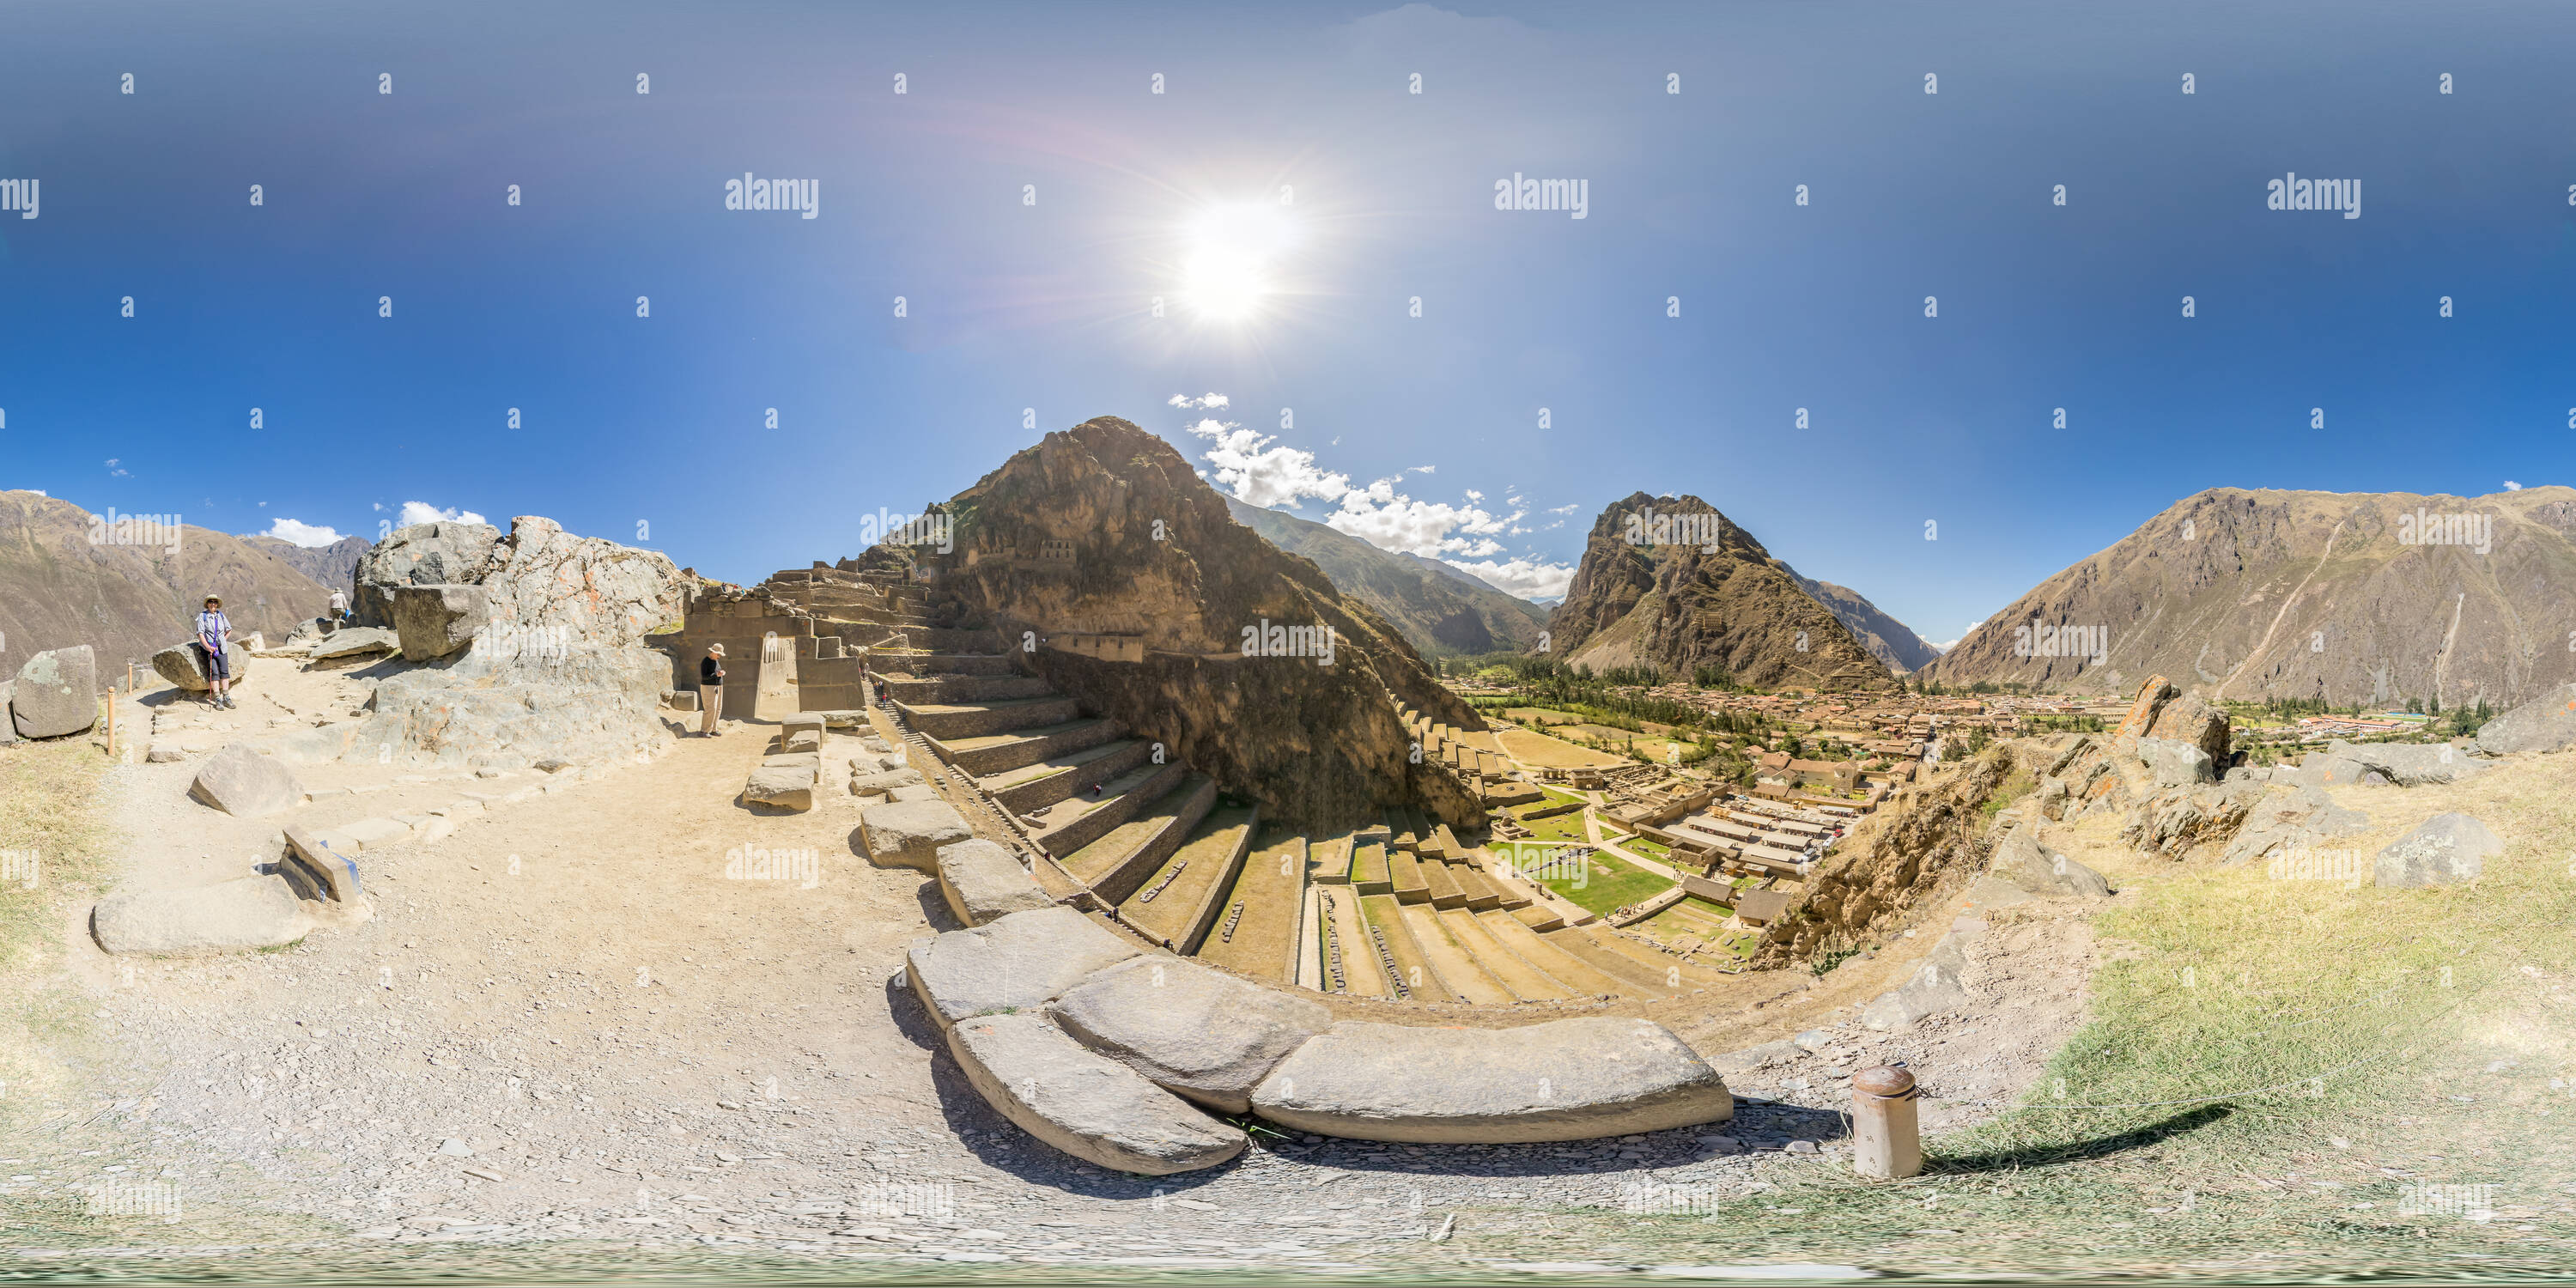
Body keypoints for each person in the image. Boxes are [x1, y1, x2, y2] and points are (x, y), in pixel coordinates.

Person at [197, 595, 235, 709]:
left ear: (217, 604)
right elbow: (200, 633)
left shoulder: (221, 615)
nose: (213, 604)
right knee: (214, 673)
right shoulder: (203, 616)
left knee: (224, 672)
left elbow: (229, 629)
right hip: (209, 649)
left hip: (221, 648)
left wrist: (223, 640)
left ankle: (226, 697)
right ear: (207, 604)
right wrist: (208, 647)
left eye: (215, 602)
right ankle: (218, 698)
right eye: (210, 602)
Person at [698, 643, 726, 736]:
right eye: (718, 654)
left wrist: (721, 673)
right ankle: (704, 731)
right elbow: (704, 676)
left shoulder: (716, 661)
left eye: (720, 655)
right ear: (713, 652)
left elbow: (716, 672)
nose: (719, 656)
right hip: (708, 687)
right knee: (710, 709)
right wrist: (717, 675)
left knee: (718, 708)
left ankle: (714, 729)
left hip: (718, 687)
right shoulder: (705, 661)